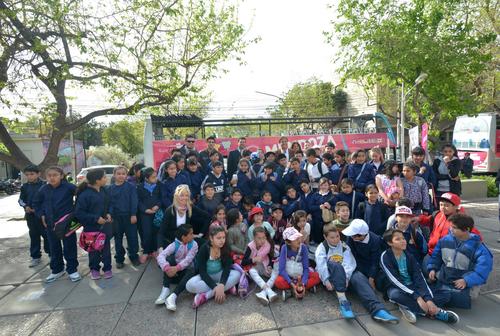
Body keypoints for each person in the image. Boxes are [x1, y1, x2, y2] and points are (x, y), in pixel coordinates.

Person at [380, 229, 459, 324]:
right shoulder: (385, 257)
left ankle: (413, 309)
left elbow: (419, 277)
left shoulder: (409, 256)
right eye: (398, 239)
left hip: (414, 286)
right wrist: (417, 297)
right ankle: (436, 312)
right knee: (394, 295)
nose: (403, 241)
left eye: (403, 238)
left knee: (446, 295)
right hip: (398, 288)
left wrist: (428, 299)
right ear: (390, 243)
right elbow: (396, 281)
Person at [427, 214, 493, 309]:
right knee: (438, 295)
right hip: (446, 277)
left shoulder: (478, 247)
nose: (450, 229)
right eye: (450, 226)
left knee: (449, 298)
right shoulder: (444, 240)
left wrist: (467, 280)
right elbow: (436, 257)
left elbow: (483, 269)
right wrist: (432, 268)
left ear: (467, 229)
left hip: (463, 282)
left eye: (454, 228)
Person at [341, 219, 399, 323]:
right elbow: (348, 257)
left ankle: (402, 300)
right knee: (360, 281)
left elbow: (375, 261)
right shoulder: (351, 239)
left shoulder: (375, 240)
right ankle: (378, 310)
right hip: (355, 268)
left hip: (373, 267)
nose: (352, 238)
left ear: (362, 235)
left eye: (355, 236)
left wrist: (372, 277)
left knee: (385, 280)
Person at [33, 166, 81, 283]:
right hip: (50, 224)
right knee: (54, 248)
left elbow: (81, 196)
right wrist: (41, 215)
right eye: (49, 175)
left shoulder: (69, 187)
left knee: (69, 247)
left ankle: (72, 270)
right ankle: (57, 270)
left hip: (66, 224)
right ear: (46, 177)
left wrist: (75, 212)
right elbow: (36, 203)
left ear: (61, 176)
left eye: (55, 175)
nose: (52, 177)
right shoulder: (44, 189)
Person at [186, 226, 241, 308]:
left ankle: (206, 295)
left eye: (223, 237)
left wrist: (222, 284)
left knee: (237, 274)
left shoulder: (226, 247)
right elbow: (202, 272)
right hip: (206, 276)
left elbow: (227, 268)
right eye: (218, 238)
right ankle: (227, 288)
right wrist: (215, 287)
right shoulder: (204, 249)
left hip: (219, 273)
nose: (222, 240)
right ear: (211, 238)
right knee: (190, 285)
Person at [75, 168, 113, 280]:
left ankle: (107, 268)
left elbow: (110, 203)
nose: (106, 179)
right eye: (104, 177)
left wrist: (109, 213)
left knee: (106, 248)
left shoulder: (104, 190)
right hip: (91, 228)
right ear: (97, 180)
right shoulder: (84, 195)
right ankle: (94, 269)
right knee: (93, 250)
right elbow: (79, 213)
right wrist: (95, 218)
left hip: (105, 227)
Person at [419, 193, 481, 258]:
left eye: (447, 205)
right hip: (432, 252)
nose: (443, 207)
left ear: (456, 207)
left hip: (449, 256)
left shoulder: (461, 220)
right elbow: (430, 220)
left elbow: (475, 235)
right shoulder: (438, 214)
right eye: (441, 204)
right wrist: (419, 219)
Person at [315, 224, 356, 319]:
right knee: (334, 264)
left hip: (341, 275)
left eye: (337, 236)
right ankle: (343, 300)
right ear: (325, 237)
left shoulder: (344, 246)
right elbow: (321, 266)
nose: (336, 239)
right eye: (332, 237)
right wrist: (326, 281)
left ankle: (341, 293)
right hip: (328, 275)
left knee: (340, 266)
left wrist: (346, 277)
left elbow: (349, 263)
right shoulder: (322, 248)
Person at [155, 224, 198, 311]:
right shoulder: (174, 245)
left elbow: (188, 260)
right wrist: (167, 268)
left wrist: (176, 268)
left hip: (187, 274)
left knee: (193, 269)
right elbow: (160, 256)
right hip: (173, 274)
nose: (193, 235)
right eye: (191, 234)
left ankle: (173, 296)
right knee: (169, 259)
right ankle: (165, 288)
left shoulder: (194, 245)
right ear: (183, 237)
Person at [274, 227, 321, 300]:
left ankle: (292, 291)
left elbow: (306, 268)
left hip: (301, 275)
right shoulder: (284, 248)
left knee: (317, 276)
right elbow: (281, 270)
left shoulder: (304, 248)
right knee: (278, 281)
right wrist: (292, 283)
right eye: (295, 239)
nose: (299, 240)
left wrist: (303, 283)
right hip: (289, 276)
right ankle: (297, 289)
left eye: (298, 237)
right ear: (288, 242)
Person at [108, 166, 140, 268]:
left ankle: (133, 256)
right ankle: (119, 259)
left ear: (126, 175)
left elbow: (134, 201)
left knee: (132, 238)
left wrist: (133, 214)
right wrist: (110, 214)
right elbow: (109, 203)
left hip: (129, 216)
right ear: (114, 175)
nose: (121, 176)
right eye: (118, 174)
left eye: (123, 174)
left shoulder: (131, 187)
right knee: (118, 239)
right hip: (116, 218)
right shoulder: (110, 188)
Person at [19, 164, 49, 267]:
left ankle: (51, 254)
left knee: (47, 235)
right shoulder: (24, 187)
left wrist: (40, 210)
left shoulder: (45, 185)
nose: (29, 176)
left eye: (32, 174)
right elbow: (21, 200)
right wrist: (26, 207)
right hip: (30, 216)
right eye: (27, 174)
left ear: (38, 174)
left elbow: (48, 200)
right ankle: (35, 257)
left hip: (43, 216)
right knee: (34, 235)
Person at [241, 226, 278, 304]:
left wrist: (270, 266)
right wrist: (253, 259)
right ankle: (268, 290)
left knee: (277, 271)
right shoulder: (250, 246)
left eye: (264, 238)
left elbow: (271, 257)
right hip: (255, 266)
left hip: (265, 266)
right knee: (251, 271)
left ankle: (263, 292)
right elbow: (243, 262)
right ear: (254, 238)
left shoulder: (267, 245)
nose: (262, 240)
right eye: (259, 238)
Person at [136, 167, 162, 263]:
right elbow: (138, 201)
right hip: (144, 214)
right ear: (146, 178)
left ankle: (155, 250)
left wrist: (157, 206)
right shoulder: (139, 187)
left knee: (156, 232)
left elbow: (161, 198)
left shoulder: (159, 185)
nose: (156, 179)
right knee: (146, 232)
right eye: (153, 177)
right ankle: (146, 251)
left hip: (156, 213)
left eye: (156, 176)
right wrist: (145, 210)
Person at [309, 177, 334, 244]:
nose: (323, 187)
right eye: (321, 185)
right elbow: (310, 207)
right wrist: (318, 207)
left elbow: (336, 209)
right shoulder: (315, 195)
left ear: (329, 186)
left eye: (325, 185)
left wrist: (330, 207)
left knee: (327, 238)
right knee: (317, 239)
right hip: (316, 220)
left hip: (328, 221)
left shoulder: (332, 195)